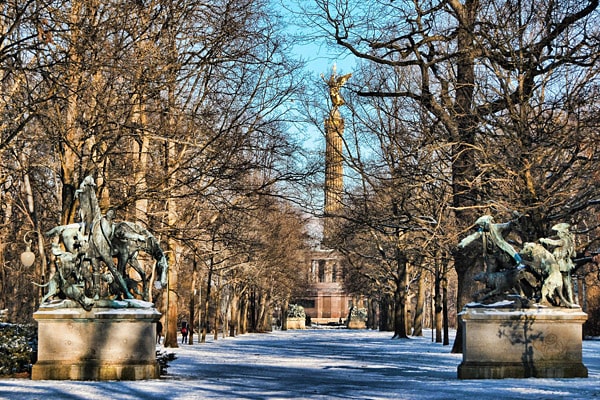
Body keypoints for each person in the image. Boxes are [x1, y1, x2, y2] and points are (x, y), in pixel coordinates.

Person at [457, 215, 523, 273]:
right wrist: (463, 243)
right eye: (482, 225)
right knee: (490, 267)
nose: (484, 227)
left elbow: (505, 225)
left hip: (501, 246)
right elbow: (472, 237)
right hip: (490, 252)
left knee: (511, 249)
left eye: (484, 225)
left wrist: (513, 222)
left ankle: (519, 263)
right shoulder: (481, 232)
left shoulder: (496, 227)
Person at [540, 223, 576, 304]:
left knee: (559, 281)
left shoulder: (563, 240)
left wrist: (544, 240)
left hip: (560, 264)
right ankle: (570, 300)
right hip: (567, 263)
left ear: (562, 233)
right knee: (567, 283)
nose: (557, 234)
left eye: (558, 232)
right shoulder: (570, 240)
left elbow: (554, 242)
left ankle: (559, 299)